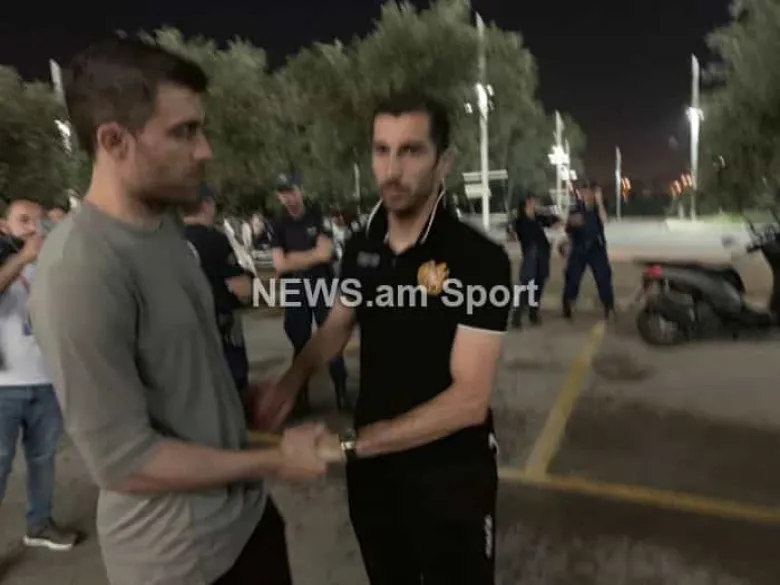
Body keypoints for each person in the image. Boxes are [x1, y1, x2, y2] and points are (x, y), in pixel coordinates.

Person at [28, 37, 331, 585]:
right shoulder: (79, 269)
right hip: (183, 563)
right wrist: (276, 459)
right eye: (184, 132)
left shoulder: (165, 230)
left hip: (246, 526)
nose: (205, 150)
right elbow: (125, 463)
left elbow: (173, 381)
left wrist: (232, 404)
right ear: (114, 140)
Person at [256, 93, 512, 585]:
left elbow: (469, 400)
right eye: (381, 150)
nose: (392, 170)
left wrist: (349, 445)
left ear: (443, 162)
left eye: (411, 151)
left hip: (452, 473)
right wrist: (291, 381)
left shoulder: (479, 260)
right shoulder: (361, 245)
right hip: (375, 477)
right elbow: (338, 323)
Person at [0, 198, 78, 551]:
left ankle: (40, 524)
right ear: (6, 227)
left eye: (40, 220)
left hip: (46, 381)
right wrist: (23, 258)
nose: (33, 227)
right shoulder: (12, 260)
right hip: (4, 385)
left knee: (42, 459)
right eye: (24, 220)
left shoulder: (53, 263)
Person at [269, 174, 350, 415]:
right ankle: (302, 397)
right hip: (295, 289)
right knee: (300, 344)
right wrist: (310, 256)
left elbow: (325, 254)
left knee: (331, 340)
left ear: (301, 190)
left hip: (321, 285)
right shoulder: (278, 224)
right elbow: (279, 265)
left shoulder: (318, 217)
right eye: (283, 193)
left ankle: (342, 392)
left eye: (291, 191)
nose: (288, 197)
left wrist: (292, 258)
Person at [181, 184, 253, 396]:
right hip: (220, 331)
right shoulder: (214, 238)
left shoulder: (168, 239)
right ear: (206, 204)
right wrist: (249, 279)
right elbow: (242, 289)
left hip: (184, 335)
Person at [562, 180, 615, 319]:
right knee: (572, 278)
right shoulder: (576, 208)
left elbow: (604, 219)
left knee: (603, 277)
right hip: (579, 247)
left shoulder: (598, 208)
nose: (585, 194)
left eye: (588, 191)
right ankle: (567, 304)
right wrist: (572, 224)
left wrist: (600, 201)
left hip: (596, 247)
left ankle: (608, 306)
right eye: (583, 191)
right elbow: (568, 227)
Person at [511, 192, 561, 328]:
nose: (536, 204)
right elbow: (515, 234)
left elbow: (555, 221)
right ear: (527, 202)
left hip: (543, 252)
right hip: (530, 254)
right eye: (533, 201)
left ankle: (533, 312)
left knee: (540, 282)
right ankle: (517, 315)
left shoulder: (538, 217)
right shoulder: (520, 220)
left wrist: (554, 223)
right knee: (527, 284)